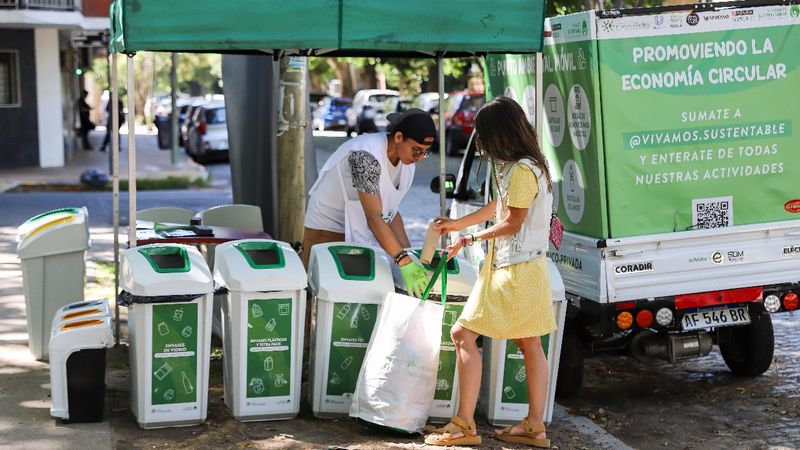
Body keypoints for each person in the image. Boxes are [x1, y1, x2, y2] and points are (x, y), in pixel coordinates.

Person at [424, 96, 557, 448]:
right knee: (530, 345)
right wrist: (457, 224)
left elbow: (512, 222)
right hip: (527, 268)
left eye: (483, 134)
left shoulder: (522, 170)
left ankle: (464, 424)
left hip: (513, 271)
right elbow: (500, 207)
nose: (480, 142)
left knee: (462, 335)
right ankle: (534, 425)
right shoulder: (528, 166)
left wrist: (467, 236)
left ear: (499, 133)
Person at [303, 108, 436, 297]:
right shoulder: (366, 155)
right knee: (325, 298)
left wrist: (410, 255)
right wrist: (402, 260)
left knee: (368, 298)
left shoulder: (407, 165)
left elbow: (391, 214)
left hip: (363, 228)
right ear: (398, 137)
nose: (420, 158)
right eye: (416, 150)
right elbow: (374, 218)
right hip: (328, 228)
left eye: (426, 152)